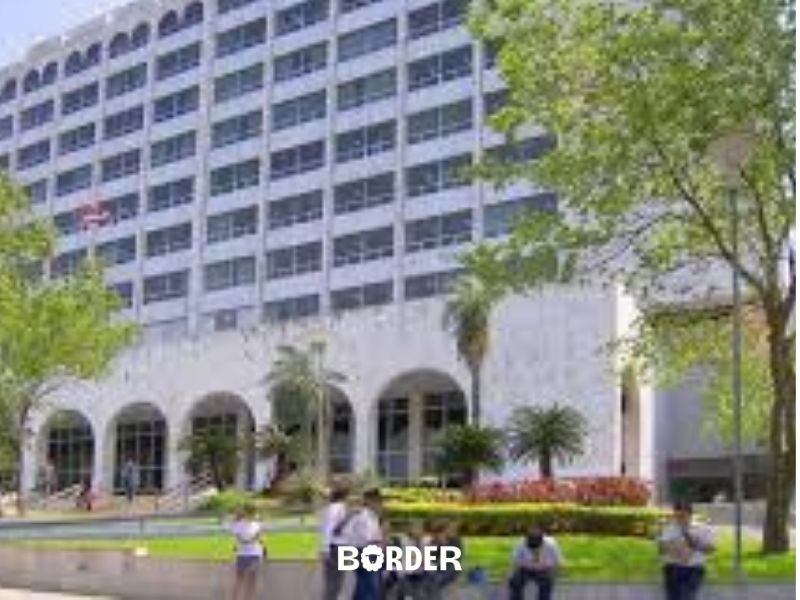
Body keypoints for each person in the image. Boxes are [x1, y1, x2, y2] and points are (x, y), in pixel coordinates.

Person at [658, 501, 715, 600]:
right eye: (677, 516)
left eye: (683, 516)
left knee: (687, 597)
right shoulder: (668, 528)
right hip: (672, 568)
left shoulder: (702, 528)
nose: (680, 519)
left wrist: (692, 540)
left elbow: (710, 549)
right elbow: (661, 550)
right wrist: (667, 547)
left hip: (693, 569)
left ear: (690, 514)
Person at [342, 488, 384, 600]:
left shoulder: (372, 516)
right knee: (371, 586)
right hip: (364, 551)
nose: (379, 504)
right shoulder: (363, 515)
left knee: (362, 585)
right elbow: (367, 537)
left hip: (364, 551)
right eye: (376, 501)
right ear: (369, 501)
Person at [508, 526, 563, 600]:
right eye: (531, 548)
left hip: (544, 570)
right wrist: (512, 574)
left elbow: (559, 562)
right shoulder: (520, 544)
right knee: (515, 581)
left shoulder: (551, 544)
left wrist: (552, 574)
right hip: (525, 569)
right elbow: (514, 561)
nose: (534, 551)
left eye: (536, 548)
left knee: (547, 583)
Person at [320, 482, 350, 600]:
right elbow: (329, 528)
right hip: (337, 547)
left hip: (337, 547)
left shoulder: (334, 508)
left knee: (334, 581)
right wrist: (325, 548)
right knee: (335, 582)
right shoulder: (338, 508)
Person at [230, 502, 265, 600]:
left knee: (250, 580)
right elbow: (241, 539)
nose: (254, 514)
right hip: (245, 554)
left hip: (253, 554)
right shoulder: (239, 524)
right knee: (242, 579)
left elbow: (260, 538)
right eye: (252, 512)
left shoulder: (256, 524)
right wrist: (252, 539)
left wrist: (259, 541)